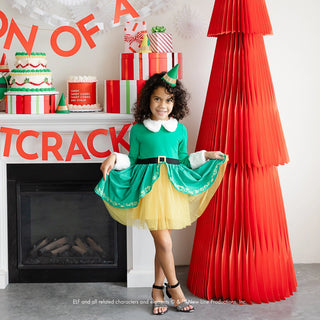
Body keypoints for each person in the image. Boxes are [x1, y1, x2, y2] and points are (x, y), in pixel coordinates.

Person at [95, 65, 228, 315]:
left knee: (162, 243)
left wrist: (206, 155)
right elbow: (133, 160)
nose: (162, 105)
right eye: (157, 99)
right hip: (150, 189)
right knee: (165, 243)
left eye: (168, 100)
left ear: (175, 103)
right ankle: (175, 289)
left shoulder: (179, 129)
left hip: (173, 188)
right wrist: (114, 157)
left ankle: (157, 289)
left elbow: (183, 159)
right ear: (148, 100)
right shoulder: (139, 129)